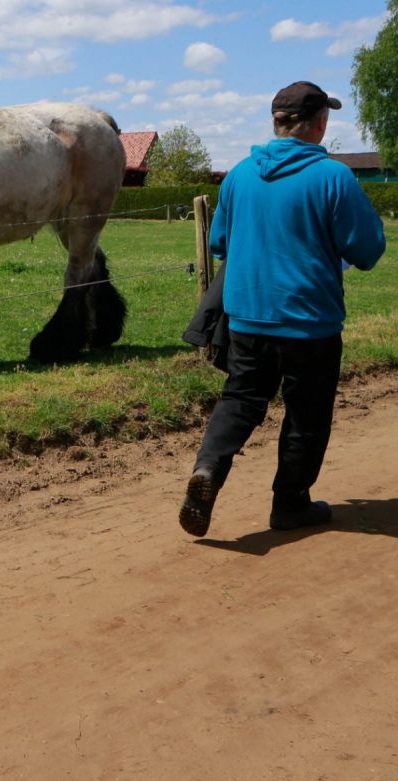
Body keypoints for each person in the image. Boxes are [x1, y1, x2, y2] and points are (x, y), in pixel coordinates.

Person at [179, 81, 386, 537]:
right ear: (320, 124)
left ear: (275, 123)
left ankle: (208, 470)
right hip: (309, 321)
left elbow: (219, 245)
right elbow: (368, 250)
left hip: (247, 317)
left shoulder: (238, 175)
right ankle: (290, 505)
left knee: (240, 399)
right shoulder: (333, 177)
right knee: (307, 414)